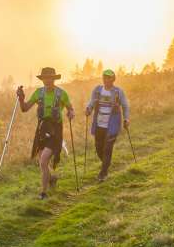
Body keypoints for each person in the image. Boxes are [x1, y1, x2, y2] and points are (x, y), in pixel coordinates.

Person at [18, 67, 75, 199]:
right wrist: (21, 98)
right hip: (42, 129)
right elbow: (24, 108)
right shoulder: (38, 93)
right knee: (43, 163)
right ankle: (52, 179)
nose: (47, 80)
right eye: (45, 78)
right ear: (42, 79)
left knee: (43, 161)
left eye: (50, 78)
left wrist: (71, 113)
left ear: (54, 79)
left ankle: (43, 193)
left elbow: (70, 109)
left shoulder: (62, 94)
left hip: (55, 131)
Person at [85, 69, 130, 182]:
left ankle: (103, 173)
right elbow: (91, 101)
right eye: (104, 77)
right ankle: (106, 163)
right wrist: (88, 109)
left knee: (107, 148)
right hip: (99, 123)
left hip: (112, 124)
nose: (106, 79)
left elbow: (125, 105)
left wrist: (126, 118)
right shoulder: (97, 90)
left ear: (113, 79)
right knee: (99, 148)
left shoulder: (118, 91)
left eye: (109, 77)